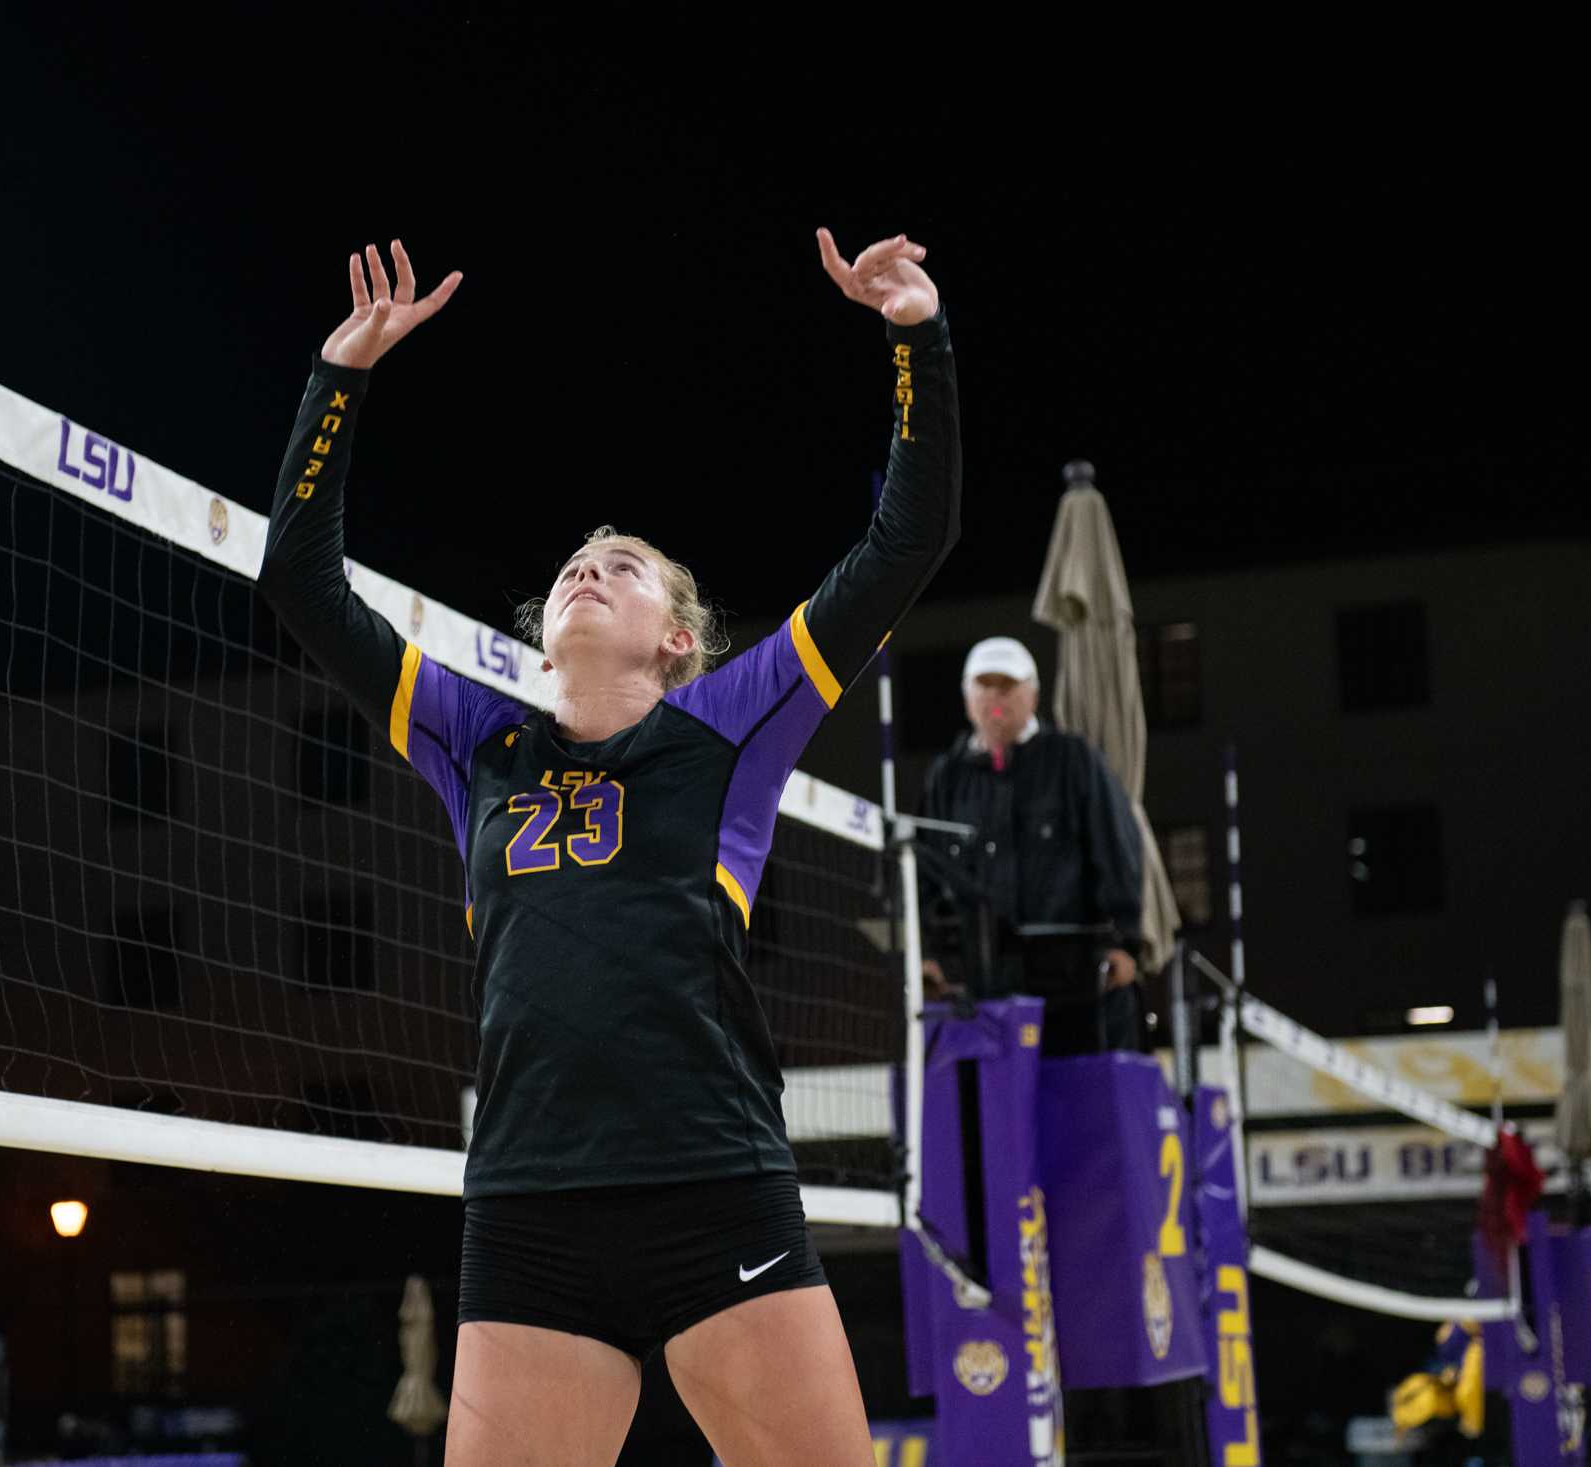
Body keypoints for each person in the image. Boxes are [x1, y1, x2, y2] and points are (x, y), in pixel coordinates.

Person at [258, 230, 957, 1467]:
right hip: (529, 1204)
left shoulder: (728, 725)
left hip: (711, 1183)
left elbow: (906, 542)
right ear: (541, 638)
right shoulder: (474, 738)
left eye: (622, 569)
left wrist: (916, 338)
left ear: (677, 641)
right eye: (577, 566)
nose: (588, 569)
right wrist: (340, 374)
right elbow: (302, 583)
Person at [920, 635, 1146, 1054]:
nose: (994, 697)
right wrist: (925, 952)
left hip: (1073, 985)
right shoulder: (947, 777)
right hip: (979, 986)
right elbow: (925, 873)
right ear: (967, 696)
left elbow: (1118, 850)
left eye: (1006, 685)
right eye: (983, 685)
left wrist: (1125, 941)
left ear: (1033, 693)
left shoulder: (1074, 759)